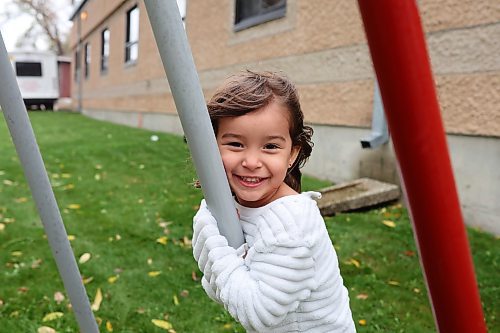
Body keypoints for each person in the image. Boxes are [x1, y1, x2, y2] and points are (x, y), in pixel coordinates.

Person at [192, 70, 356, 332]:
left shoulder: (291, 224)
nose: (252, 162)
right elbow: (219, 290)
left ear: (292, 154)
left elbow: (259, 313)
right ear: (211, 148)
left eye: (270, 147)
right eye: (235, 143)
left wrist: (209, 234)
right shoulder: (231, 207)